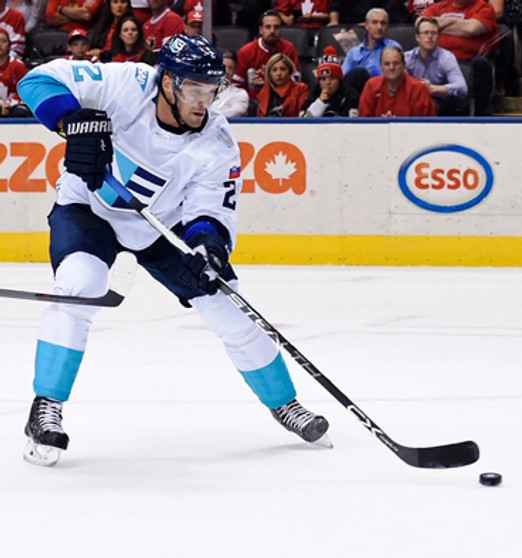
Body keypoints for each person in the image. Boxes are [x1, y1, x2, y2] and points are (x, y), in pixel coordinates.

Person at [15, 34, 332, 467]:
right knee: (80, 285)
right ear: (167, 82)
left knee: (229, 307)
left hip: (158, 225)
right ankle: (46, 406)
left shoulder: (217, 141)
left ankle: (285, 403)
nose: (204, 102)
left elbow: (209, 211)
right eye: (194, 89)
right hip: (88, 209)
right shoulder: (128, 83)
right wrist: (72, 121)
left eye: (212, 90)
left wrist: (209, 247)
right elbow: (35, 82)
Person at [422, 0, 497, 115]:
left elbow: (471, 29)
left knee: (482, 64)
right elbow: (420, 23)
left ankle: (480, 113)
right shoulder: (437, 7)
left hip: (468, 61)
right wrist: (455, 22)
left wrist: (436, 27)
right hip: (437, 60)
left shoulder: (484, 8)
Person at [404, 15, 468, 116]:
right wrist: (418, 87)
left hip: (440, 102)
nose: (430, 36)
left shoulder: (447, 57)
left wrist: (432, 88)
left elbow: (462, 87)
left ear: (439, 36)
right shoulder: (407, 58)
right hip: (412, 99)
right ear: (417, 37)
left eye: (433, 33)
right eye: (425, 33)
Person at [233, 9, 301, 99]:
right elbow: (236, 85)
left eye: (276, 27)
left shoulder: (288, 48)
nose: (272, 31)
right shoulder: (246, 52)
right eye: (268, 27)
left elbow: (296, 80)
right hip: (252, 101)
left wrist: (268, 82)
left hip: (281, 99)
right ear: (261, 30)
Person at [359, 44, 436, 116]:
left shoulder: (418, 89)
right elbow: (363, 121)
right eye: (386, 64)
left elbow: (427, 123)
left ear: (404, 65)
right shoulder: (371, 86)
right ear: (381, 67)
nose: (391, 67)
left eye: (396, 63)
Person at [341, 7, 402, 95]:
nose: (379, 27)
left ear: (387, 27)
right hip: (359, 95)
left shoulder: (394, 47)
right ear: (366, 25)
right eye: (375, 22)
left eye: (383, 23)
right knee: (359, 72)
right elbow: (343, 79)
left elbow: (400, 75)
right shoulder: (354, 53)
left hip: (386, 92)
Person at [302, 47, 359, 117]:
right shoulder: (314, 95)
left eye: (332, 78)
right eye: (323, 79)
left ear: (339, 79)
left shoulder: (351, 96)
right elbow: (304, 121)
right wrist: (320, 103)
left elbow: (353, 122)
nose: (328, 83)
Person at [251, 52, 310, 116]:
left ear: (290, 71)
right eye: (274, 70)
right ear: (269, 73)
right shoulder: (263, 93)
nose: (278, 73)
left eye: (283, 69)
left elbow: (303, 115)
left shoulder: (300, 89)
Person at [0, 27, 28, 117]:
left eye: (3, 41)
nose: (0, 45)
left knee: (20, 112)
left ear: (9, 45)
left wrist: (8, 104)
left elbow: (23, 91)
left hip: (13, 106)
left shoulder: (18, 65)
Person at [212, 50, 249, 117]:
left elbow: (235, 112)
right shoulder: (203, 90)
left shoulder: (240, 94)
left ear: (234, 72)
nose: (227, 71)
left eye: (230, 68)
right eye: (224, 67)